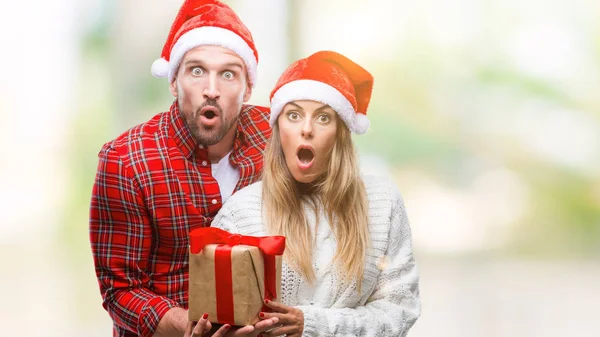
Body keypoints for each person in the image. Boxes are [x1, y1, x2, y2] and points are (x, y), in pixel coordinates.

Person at [89, 1, 279, 336]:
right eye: (196, 71)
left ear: (247, 88)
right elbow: (121, 291)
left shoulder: (277, 139)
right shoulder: (125, 160)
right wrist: (187, 326)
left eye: (228, 74)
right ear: (174, 81)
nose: (211, 89)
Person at [211, 50, 421, 337]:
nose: (306, 129)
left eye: (323, 118)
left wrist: (313, 325)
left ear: (341, 133)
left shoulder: (382, 204)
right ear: (278, 128)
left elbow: (400, 309)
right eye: (294, 115)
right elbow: (222, 318)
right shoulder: (241, 212)